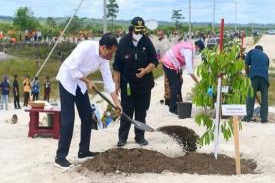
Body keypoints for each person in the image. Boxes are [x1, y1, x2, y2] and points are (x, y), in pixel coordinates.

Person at [55, 33, 121, 169]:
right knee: (68, 120)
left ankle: (83, 152)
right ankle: (60, 157)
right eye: (110, 52)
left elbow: (108, 81)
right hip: (67, 80)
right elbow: (72, 68)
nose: (111, 56)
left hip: (80, 83)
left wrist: (116, 102)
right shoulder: (85, 47)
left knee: (87, 116)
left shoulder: (104, 58)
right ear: (103, 47)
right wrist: (87, 81)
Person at [113, 16, 158, 147]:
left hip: (144, 84)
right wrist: (116, 84)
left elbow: (154, 61)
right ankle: (122, 138)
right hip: (127, 84)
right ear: (131, 29)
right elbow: (117, 66)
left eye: (140, 31)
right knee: (126, 111)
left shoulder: (146, 42)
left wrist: (145, 70)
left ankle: (140, 137)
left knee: (141, 111)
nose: (138, 34)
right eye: (136, 31)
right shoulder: (123, 42)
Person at [160, 40, 204, 115]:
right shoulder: (188, 51)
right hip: (168, 63)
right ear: (197, 46)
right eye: (199, 49)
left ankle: (179, 103)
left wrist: (180, 74)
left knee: (179, 82)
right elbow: (190, 71)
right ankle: (173, 108)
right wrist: (197, 82)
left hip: (174, 65)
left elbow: (183, 64)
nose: (199, 51)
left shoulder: (190, 49)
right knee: (175, 85)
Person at [242, 45, 270, 123]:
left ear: (255, 48)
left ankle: (248, 117)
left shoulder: (251, 52)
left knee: (251, 96)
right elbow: (266, 68)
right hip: (265, 78)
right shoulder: (266, 56)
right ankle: (264, 118)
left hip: (254, 76)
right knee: (264, 99)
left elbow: (246, 65)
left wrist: (248, 74)